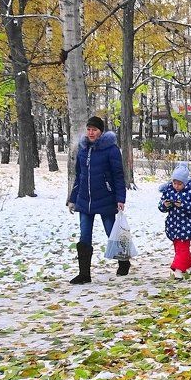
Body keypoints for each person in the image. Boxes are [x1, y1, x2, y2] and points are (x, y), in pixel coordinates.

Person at [66, 116, 128, 284]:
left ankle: (123, 261)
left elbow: (118, 176)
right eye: (89, 129)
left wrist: (120, 198)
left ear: (101, 131)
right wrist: (73, 199)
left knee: (111, 233)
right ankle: (84, 274)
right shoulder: (83, 148)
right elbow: (79, 176)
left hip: (106, 199)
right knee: (84, 236)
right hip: (84, 200)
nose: (91, 132)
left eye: (94, 129)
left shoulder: (111, 149)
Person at [158, 162, 191, 278]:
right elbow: (161, 207)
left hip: (187, 226)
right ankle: (189, 266)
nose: (176, 186)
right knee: (179, 248)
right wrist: (165, 205)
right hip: (173, 225)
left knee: (182, 249)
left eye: (179, 184)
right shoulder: (169, 190)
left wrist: (183, 205)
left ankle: (178, 270)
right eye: (174, 183)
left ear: (185, 182)